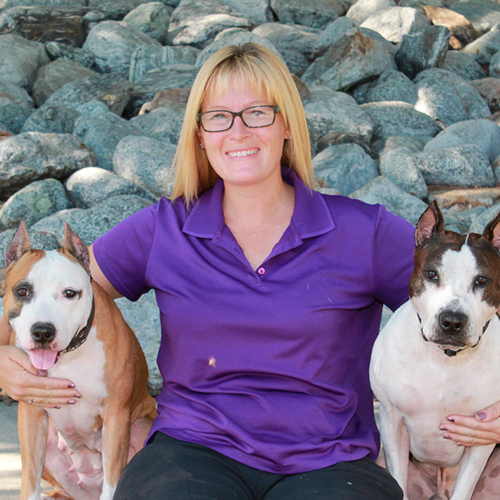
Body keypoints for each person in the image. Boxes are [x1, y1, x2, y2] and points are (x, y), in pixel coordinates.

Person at [1, 42, 500, 499]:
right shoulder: (164, 228)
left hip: (331, 462)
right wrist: (3, 358)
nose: (238, 132)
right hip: (189, 453)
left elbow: (473, 301)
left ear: (287, 125)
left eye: (257, 113)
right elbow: (61, 294)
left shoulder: (361, 232)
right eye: (219, 116)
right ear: (199, 134)